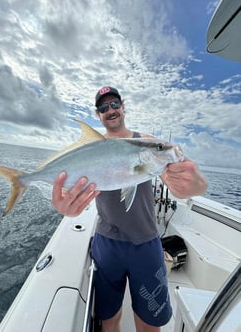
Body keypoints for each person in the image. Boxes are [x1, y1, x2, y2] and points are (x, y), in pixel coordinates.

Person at [52, 87, 208, 332]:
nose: (110, 110)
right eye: (103, 108)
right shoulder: (90, 150)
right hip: (106, 244)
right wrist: (66, 208)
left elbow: (183, 187)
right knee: (109, 318)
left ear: (123, 107)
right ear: (98, 115)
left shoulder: (145, 142)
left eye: (114, 104)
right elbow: (70, 195)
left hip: (145, 244)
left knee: (149, 324)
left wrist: (197, 183)